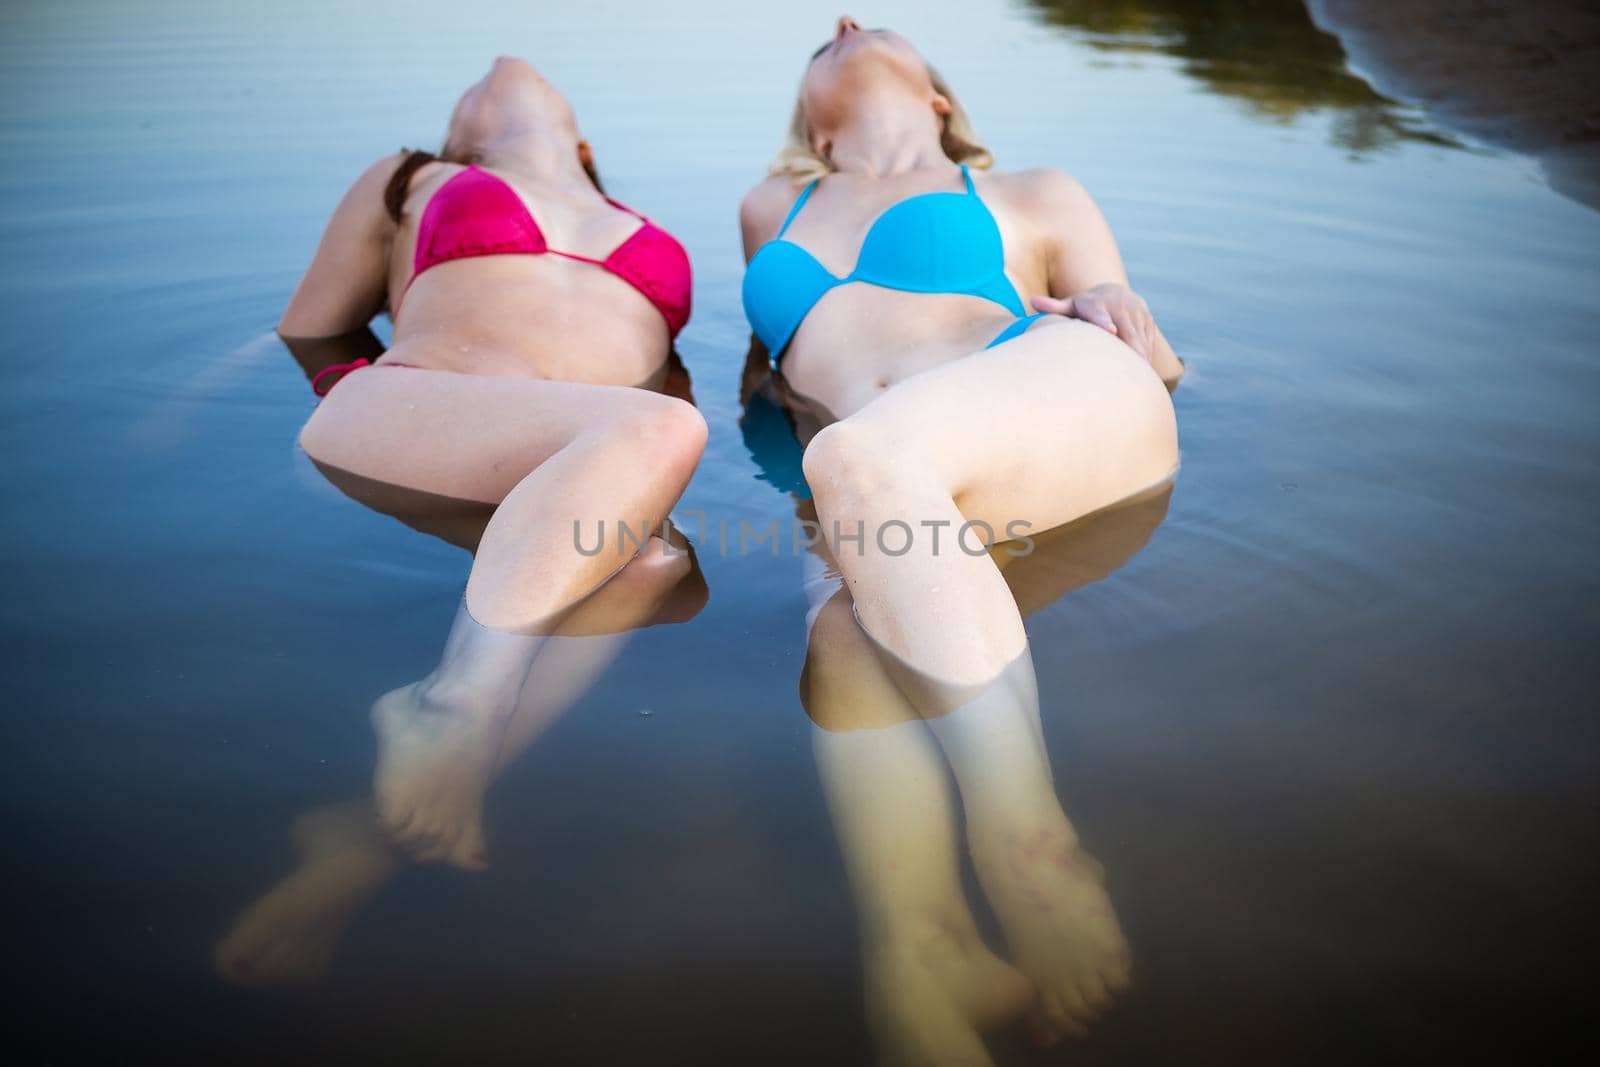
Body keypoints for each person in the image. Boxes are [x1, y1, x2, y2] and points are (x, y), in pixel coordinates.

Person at [738, 16, 1183, 1059]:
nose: (844, 19)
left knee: (851, 462)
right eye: (826, 36)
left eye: (873, 22)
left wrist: (1121, 307)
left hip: (1045, 403)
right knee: (843, 636)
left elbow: (1155, 369)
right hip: (884, 479)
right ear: (810, 117)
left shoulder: (1031, 192)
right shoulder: (770, 205)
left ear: (940, 97)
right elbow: (769, 385)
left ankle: (1031, 840)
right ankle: (920, 949)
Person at [278, 55, 706, 873]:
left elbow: (669, 381)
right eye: (461, 102)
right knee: (658, 434)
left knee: (653, 561)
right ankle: (452, 702)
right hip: (418, 420)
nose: (500, 69)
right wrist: (174, 413)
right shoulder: (412, 176)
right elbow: (308, 332)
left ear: (587, 149)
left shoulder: (637, 216)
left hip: (573, 457)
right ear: (458, 137)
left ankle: (364, 848)